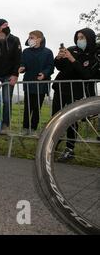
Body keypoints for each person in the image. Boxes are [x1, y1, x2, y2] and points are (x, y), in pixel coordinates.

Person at [52, 28, 97, 162]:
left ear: (89, 38)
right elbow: (59, 67)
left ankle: (70, 149)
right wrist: (59, 58)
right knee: (55, 118)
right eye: (78, 37)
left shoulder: (93, 56)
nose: (79, 40)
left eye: (82, 37)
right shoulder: (71, 49)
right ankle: (51, 145)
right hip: (60, 88)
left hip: (75, 90)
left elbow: (86, 75)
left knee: (71, 120)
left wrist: (72, 59)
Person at [18, 30, 54, 136]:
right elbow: (23, 63)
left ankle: (33, 128)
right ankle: (25, 128)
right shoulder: (26, 52)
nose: (30, 39)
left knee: (37, 107)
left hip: (41, 85)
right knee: (27, 107)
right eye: (29, 37)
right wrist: (22, 68)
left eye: (32, 37)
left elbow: (50, 67)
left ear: (40, 39)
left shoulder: (48, 52)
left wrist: (44, 74)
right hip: (29, 83)